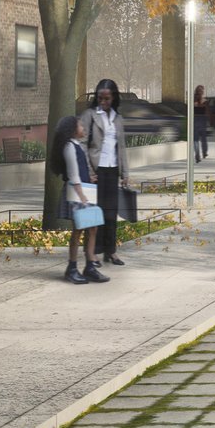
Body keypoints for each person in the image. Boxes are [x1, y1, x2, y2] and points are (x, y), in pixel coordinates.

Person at [81, 78, 132, 266]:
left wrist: (125, 173)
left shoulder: (117, 119)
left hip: (112, 170)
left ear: (114, 98)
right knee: (94, 215)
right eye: (100, 98)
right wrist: (88, 171)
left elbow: (122, 147)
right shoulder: (89, 115)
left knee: (111, 213)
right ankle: (92, 252)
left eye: (107, 98)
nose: (103, 102)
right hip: (96, 172)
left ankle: (111, 251)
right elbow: (82, 145)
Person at [50, 115, 107, 284]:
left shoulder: (77, 145)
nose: (83, 128)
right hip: (77, 193)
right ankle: (72, 267)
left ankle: (89, 266)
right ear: (72, 130)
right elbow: (74, 175)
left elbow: (80, 171)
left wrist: (89, 178)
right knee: (79, 230)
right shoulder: (69, 147)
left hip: (84, 190)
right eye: (80, 125)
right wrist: (82, 196)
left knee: (92, 228)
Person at [192, 85, 210, 162]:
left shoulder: (192, 101)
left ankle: (197, 155)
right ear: (202, 92)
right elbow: (207, 112)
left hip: (195, 119)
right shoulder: (205, 101)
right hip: (202, 120)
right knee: (204, 138)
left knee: (195, 139)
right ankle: (204, 152)